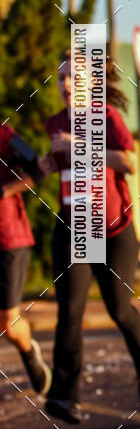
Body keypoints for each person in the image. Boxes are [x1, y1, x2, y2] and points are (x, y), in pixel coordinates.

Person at [40, 52, 140, 424]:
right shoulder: (56, 123)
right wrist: (42, 165)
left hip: (113, 230)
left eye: (73, 78)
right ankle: (64, 397)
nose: (65, 85)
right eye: (60, 79)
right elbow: (60, 170)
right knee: (70, 311)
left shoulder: (106, 117)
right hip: (72, 225)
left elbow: (128, 162)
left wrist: (79, 147)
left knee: (119, 309)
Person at [0, 127, 51, 394]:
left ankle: (30, 352)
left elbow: (39, 169)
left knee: (9, 324)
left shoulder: (5, 136)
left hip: (9, 239)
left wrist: (4, 191)